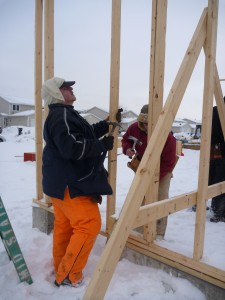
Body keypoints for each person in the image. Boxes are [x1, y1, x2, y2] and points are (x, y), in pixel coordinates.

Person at [41, 77, 121, 287]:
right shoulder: (62, 115)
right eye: (66, 87)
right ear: (57, 94)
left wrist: (105, 125)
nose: (71, 89)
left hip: (58, 184)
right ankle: (69, 275)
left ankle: (61, 267)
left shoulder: (64, 115)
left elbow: (82, 134)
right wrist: (101, 145)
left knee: (65, 227)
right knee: (89, 224)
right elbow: (72, 148)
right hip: (70, 184)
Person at [121, 104, 177, 239]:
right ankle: (137, 228)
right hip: (142, 166)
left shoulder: (168, 138)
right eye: (143, 123)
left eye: (149, 123)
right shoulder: (134, 128)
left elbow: (168, 162)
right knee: (139, 197)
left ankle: (158, 233)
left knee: (160, 200)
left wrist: (154, 178)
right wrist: (127, 149)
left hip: (162, 169)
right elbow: (125, 140)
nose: (146, 126)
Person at [208, 96, 225, 222]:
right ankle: (218, 212)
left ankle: (216, 209)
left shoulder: (213, 110)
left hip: (213, 150)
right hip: (221, 151)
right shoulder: (217, 111)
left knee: (212, 178)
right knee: (221, 180)